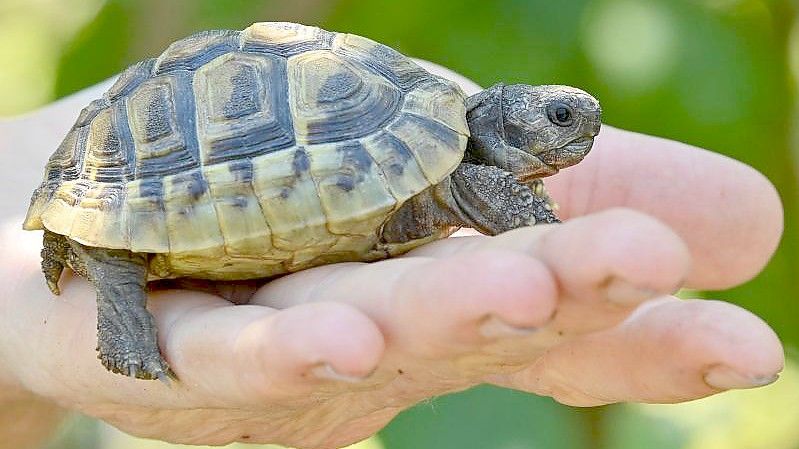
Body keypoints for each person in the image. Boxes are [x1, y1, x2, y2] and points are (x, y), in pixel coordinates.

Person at [0, 62, 784, 449]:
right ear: (498, 121)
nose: (574, 130)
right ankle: (113, 282)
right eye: (552, 117)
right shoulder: (457, 168)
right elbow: (479, 192)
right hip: (160, 165)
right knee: (125, 251)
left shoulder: (434, 147)